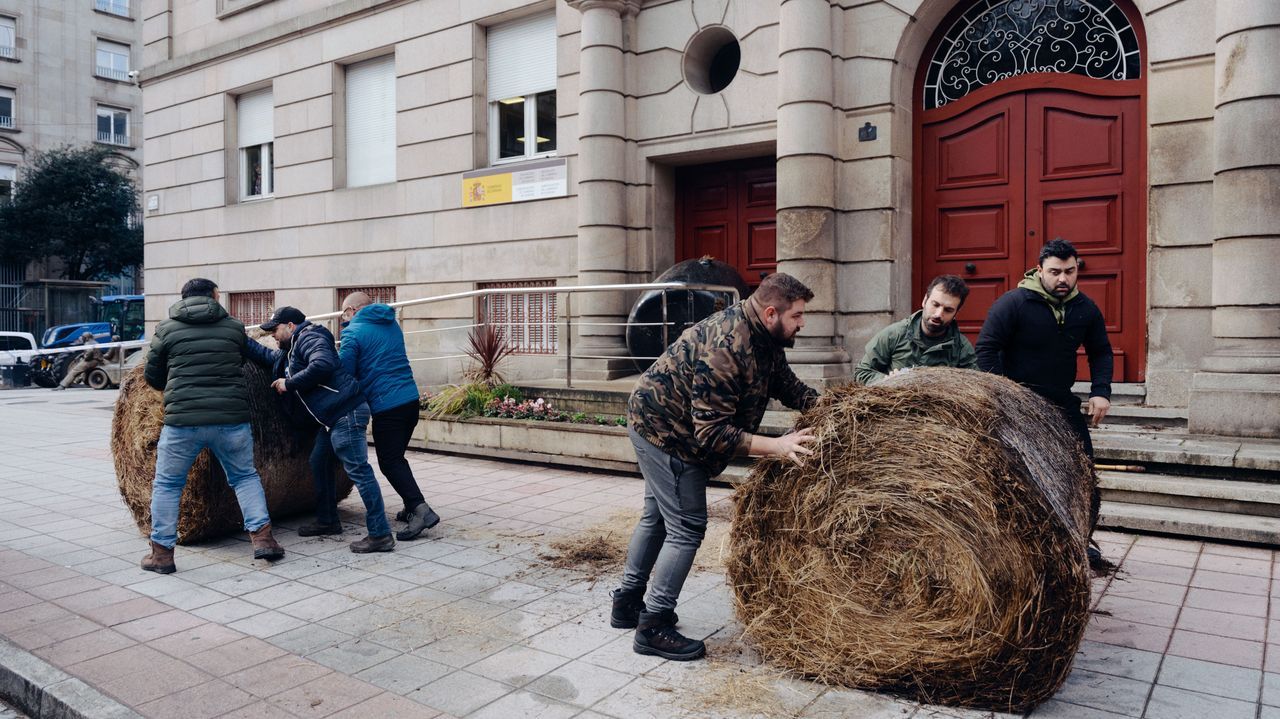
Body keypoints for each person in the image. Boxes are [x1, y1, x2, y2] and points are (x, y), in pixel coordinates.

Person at [611, 272, 821, 661]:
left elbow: (785, 383)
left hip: (669, 425)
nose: (802, 323)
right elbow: (712, 433)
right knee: (686, 527)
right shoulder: (727, 345)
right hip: (666, 432)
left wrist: (827, 407)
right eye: (797, 316)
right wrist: (776, 446)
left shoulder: (765, 335)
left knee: (657, 516)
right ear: (772, 312)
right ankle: (652, 626)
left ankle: (626, 604)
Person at [975, 238, 1112, 563]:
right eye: (1054, 272)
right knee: (1019, 477)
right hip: (1017, 403)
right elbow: (986, 348)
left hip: (1061, 402)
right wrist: (1004, 393)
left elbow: (1101, 351)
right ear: (1040, 270)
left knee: (1082, 473)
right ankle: (1014, 546)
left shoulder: (1086, 308)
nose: (1062, 279)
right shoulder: (1013, 303)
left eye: (1069, 271)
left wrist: (1100, 391)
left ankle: (1081, 539)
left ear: (1077, 270)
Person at [141, 278, 284, 574]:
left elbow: (153, 376)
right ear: (215, 296)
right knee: (244, 477)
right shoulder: (233, 327)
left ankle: (162, 555)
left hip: (183, 422)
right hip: (230, 419)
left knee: (168, 485)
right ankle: (263, 539)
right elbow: (257, 358)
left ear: (183, 298)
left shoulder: (166, 328)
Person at [245, 306, 396, 553]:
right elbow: (269, 357)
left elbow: (323, 363)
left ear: (290, 326)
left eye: (275, 329)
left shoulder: (310, 337)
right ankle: (327, 520)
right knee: (319, 461)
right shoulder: (292, 349)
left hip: (345, 412)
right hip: (333, 416)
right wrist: (238, 339)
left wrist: (289, 383)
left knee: (359, 472)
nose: (272, 334)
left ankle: (380, 534)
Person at [337, 292, 439, 541]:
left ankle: (421, 510)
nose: (344, 318)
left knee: (389, 462)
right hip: (410, 400)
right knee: (397, 458)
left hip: (387, 406)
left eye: (344, 313)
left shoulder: (352, 332)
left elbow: (346, 371)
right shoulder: (391, 323)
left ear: (351, 309)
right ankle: (410, 504)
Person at [854, 274, 977, 385]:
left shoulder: (962, 348)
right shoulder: (894, 334)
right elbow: (861, 373)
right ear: (925, 301)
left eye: (948, 310)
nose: (939, 314)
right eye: (935, 304)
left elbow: (976, 386)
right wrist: (888, 382)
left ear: (956, 312)